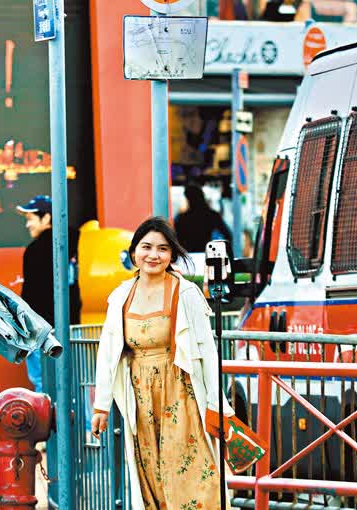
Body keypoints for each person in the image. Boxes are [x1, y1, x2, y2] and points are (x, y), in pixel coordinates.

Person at [90, 217, 232, 510]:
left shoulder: (186, 293)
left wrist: (218, 404)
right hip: (140, 396)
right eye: (146, 247)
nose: (153, 255)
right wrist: (101, 407)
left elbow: (207, 350)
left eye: (163, 249)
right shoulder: (120, 297)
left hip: (182, 392)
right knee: (150, 471)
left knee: (190, 468)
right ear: (133, 253)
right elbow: (108, 353)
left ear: (172, 255)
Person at [16, 195, 81, 392]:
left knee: (42, 383)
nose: (28, 225)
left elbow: (30, 298)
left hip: (41, 332)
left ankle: (49, 423)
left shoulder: (34, 251)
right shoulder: (75, 243)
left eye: (31, 219)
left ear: (46, 219)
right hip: (72, 329)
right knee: (76, 383)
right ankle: (84, 425)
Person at [174, 185, 232, 254]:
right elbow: (228, 235)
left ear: (188, 199)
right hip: (206, 255)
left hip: (188, 256)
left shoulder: (182, 218)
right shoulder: (212, 215)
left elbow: (176, 240)